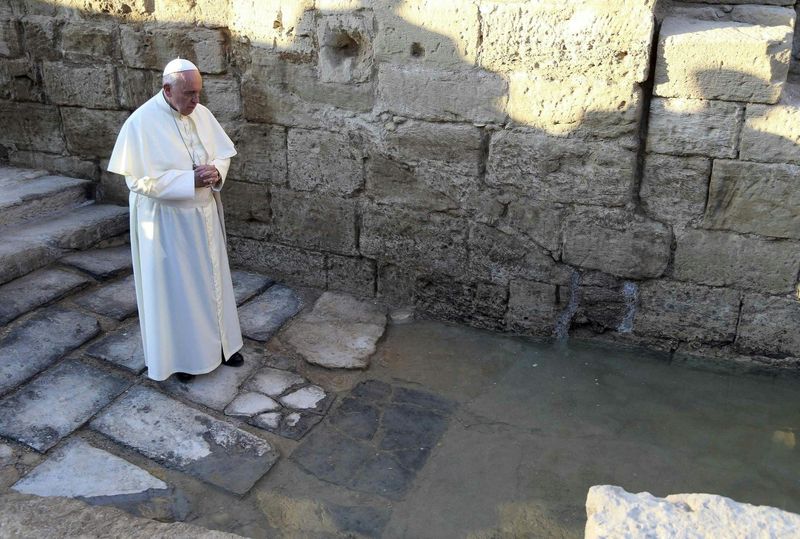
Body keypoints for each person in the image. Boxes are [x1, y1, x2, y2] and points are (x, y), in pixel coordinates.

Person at [108, 58, 244, 383]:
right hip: (168, 224)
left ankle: (225, 345)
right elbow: (137, 182)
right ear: (168, 90)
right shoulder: (141, 124)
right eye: (189, 94)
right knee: (179, 291)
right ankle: (184, 357)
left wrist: (216, 171)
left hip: (204, 218)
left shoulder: (201, 112)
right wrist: (188, 181)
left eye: (198, 93)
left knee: (214, 282)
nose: (196, 101)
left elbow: (223, 153)